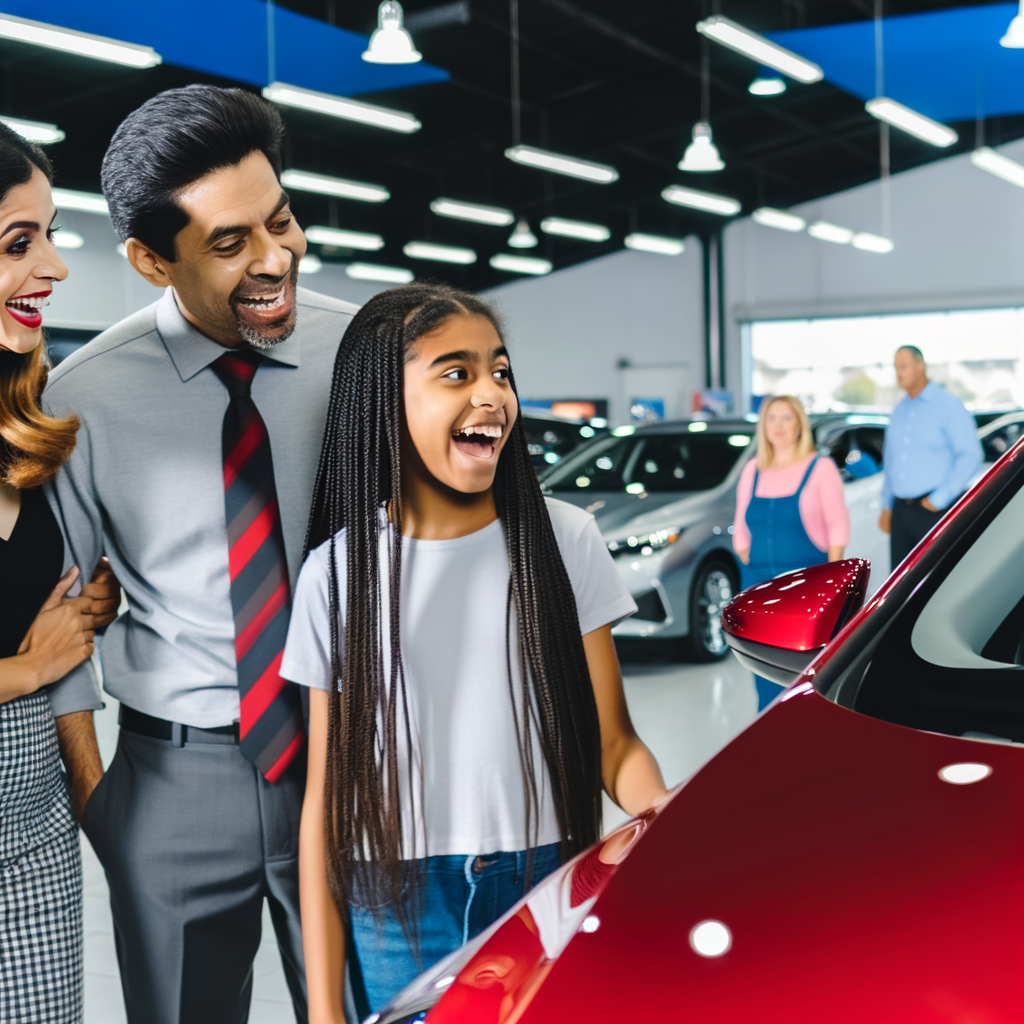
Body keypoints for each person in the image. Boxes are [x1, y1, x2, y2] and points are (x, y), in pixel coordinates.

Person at [40, 86, 357, 1024]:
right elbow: (64, 613)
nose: (275, 258)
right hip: (173, 781)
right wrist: (104, 804)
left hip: (347, 760)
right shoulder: (86, 397)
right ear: (149, 260)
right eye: (230, 244)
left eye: (282, 220)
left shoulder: (367, 353)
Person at [282, 284, 670, 1022]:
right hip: (391, 895)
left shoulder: (564, 540)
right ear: (383, 402)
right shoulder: (337, 574)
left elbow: (614, 745)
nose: (492, 394)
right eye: (456, 373)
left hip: (544, 872)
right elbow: (326, 806)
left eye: (500, 371)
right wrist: (325, 1009)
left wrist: (669, 816)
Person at [0, 122, 120, 1024]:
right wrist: (26, 668)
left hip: (33, 833)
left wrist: (88, 608)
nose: (55, 266)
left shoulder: (23, 426)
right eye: (18, 241)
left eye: (48, 234)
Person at [733, 395, 849, 711]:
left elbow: (837, 526)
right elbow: (741, 525)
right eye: (772, 418)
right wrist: (749, 558)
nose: (779, 426)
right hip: (759, 588)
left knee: (803, 672)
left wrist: (833, 585)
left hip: (805, 588)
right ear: (763, 426)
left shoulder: (820, 467)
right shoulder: (752, 470)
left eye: (787, 418)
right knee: (764, 670)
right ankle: (769, 736)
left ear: (799, 425)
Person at [878, 345, 981, 567]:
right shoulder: (898, 411)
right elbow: (891, 462)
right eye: (896, 367)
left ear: (920, 365)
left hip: (935, 510)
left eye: (903, 366)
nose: (899, 372)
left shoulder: (948, 405)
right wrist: (886, 506)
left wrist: (940, 498)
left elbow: (970, 456)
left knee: (936, 583)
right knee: (898, 588)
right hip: (900, 512)